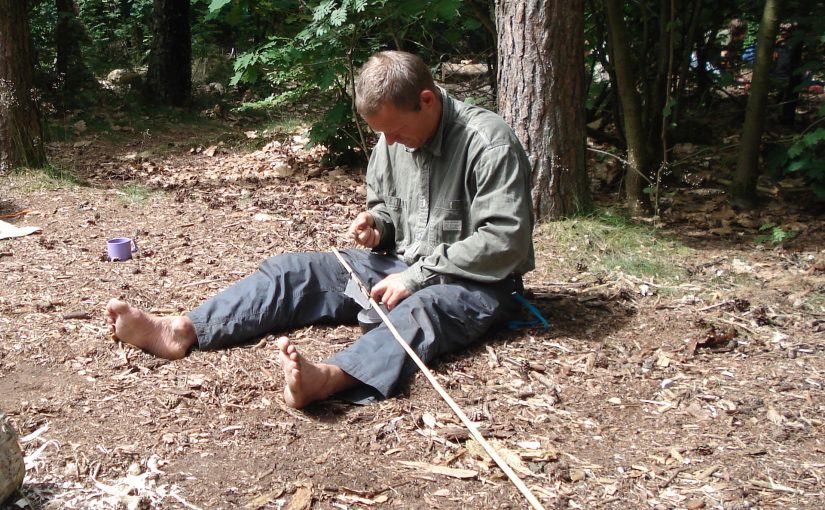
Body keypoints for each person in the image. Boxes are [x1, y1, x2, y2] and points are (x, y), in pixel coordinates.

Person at [106, 51, 535, 408]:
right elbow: (387, 209)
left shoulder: (488, 143)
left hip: (473, 284)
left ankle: (328, 379)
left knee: (421, 311)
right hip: (400, 267)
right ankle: (183, 329)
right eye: (381, 133)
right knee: (295, 270)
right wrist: (378, 227)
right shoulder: (392, 138)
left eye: (396, 131)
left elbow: (504, 241)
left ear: (426, 100)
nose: (388, 143)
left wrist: (416, 278)